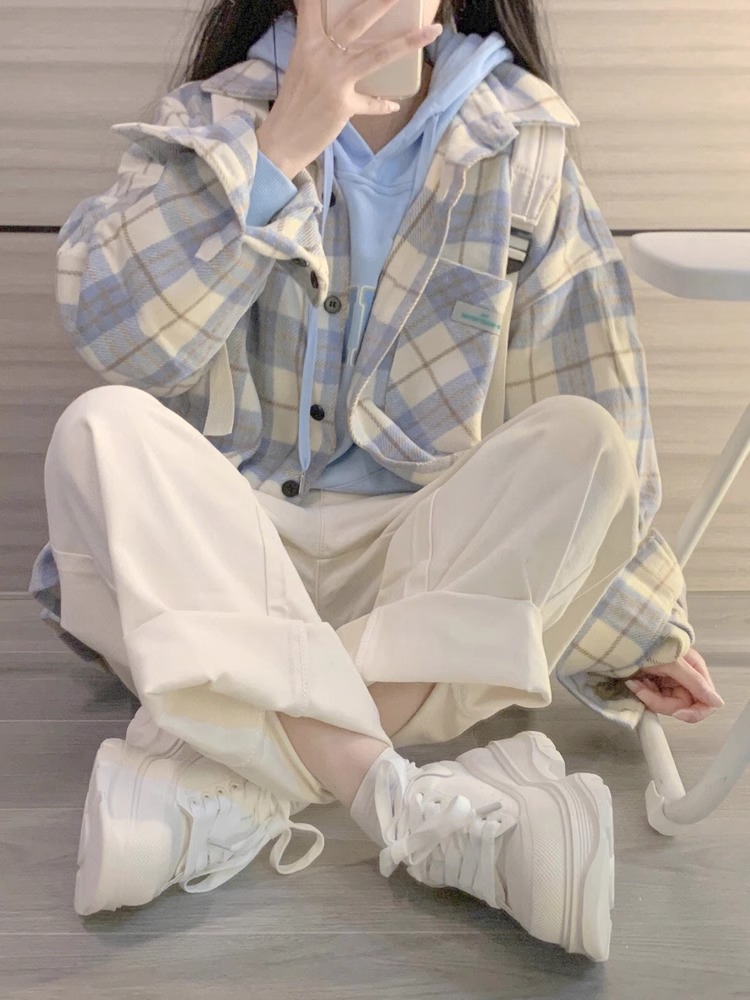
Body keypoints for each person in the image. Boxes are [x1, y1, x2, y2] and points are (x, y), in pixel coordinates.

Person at [28, 0, 725, 964]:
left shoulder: (521, 143)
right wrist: (278, 149)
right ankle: (393, 795)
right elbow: (121, 339)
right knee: (100, 430)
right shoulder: (211, 120)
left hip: (408, 585)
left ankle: (235, 776)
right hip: (223, 568)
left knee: (588, 444)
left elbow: (594, 385)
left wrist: (642, 631)